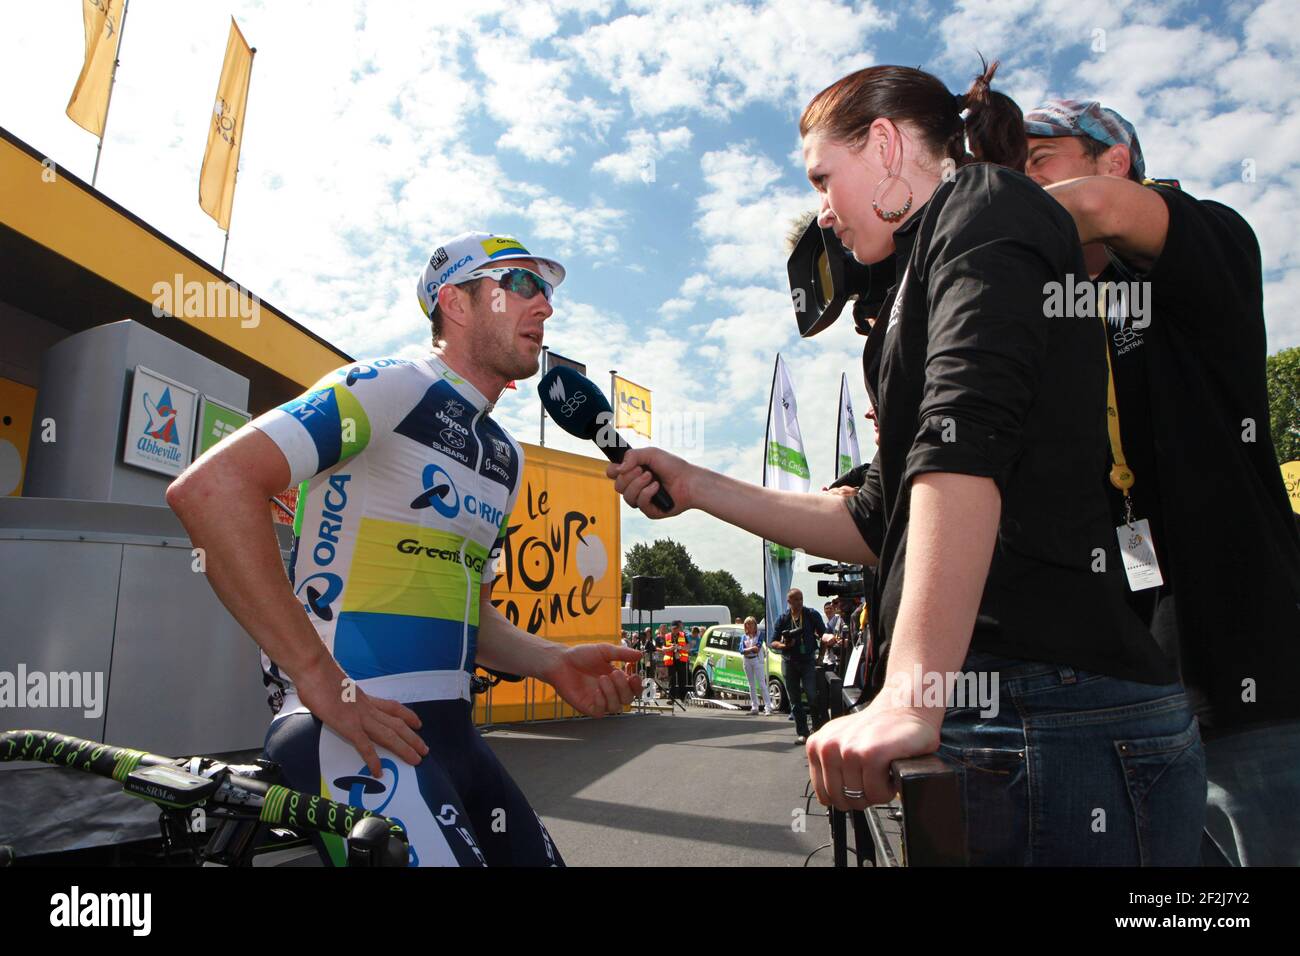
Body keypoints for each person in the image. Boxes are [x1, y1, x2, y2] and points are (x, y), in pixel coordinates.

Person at [606, 63, 1206, 865]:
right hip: (1014, 715)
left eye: (823, 178)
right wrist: (696, 485)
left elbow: (966, 441)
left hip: (1054, 714)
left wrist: (911, 692)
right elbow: (874, 518)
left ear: (885, 145)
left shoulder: (985, 208)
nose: (822, 210)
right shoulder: (925, 273)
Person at [167, 231, 641, 868]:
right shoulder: (391, 387)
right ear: (457, 302)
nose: (545, 307)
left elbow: (468, 613)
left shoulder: (504, 455)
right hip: (352, 728)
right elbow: (212, 489)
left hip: (450, 735)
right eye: (521, 285)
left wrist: (550, 660)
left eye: (547, 291)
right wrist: (319, 680)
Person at [1025, 100, 1300, 865]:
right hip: (1136, 704)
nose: (1020, 185)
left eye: (1037, 160)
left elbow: (1099, 208)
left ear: (1114, 158)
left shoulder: (1209, 238)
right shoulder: (1067, 315)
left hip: (1251, 684)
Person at [769, 589, 825, 743]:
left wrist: (820, 656)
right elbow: (772, 642)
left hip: (807, 661)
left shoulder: (811, 614)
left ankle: (817, 730)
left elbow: (824, 635)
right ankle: (803, 733)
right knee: (795, 700)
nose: (800, 602)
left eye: (801, 599)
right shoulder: (783, 618)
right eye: (796, 600)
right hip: (789, 662)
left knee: (812, 695)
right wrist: (783, 645)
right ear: (789, 602)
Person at [740, 616, 773, 715]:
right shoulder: (743, 637)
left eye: (751, 624)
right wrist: (750, 649)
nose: (749, 626)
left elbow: (757, 648)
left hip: (757, 660)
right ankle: (754, 707)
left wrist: (748, 650)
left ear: (755, 625)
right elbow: (741, 650)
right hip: (747, 661)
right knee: (751, 685)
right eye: (747, 624)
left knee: (762, 684)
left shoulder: (759, 635)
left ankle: (768, 707)